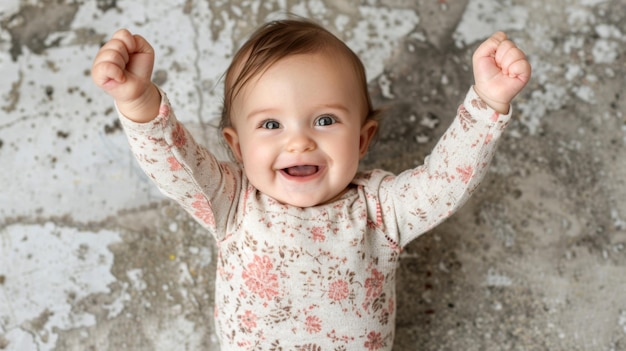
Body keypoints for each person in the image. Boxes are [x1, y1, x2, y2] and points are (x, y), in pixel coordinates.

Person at [92, 18, 530, 351]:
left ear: (361, 139)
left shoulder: (381, 209)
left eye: (325, 120)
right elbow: (175, 164)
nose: (299, 141)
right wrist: (140, 102)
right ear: (238, 147)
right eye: (270, 124)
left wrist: (488, 104)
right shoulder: (232, 201)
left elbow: (445, 181)